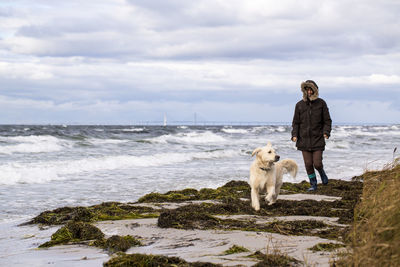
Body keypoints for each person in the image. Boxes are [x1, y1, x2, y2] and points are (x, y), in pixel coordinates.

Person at [291, 80, 332, 191]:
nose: (309, 92)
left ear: (315, 90)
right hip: (303, 140)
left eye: (311, 89)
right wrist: (294, 134)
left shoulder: (321, 103)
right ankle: (313, 184)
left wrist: (326, 132)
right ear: (304, 91)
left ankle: (322, 174)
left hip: (318, 139)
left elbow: (327, 120)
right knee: (308, 164)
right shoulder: (299, 105)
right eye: (307, 89)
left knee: (317, 163)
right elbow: (295, 122)